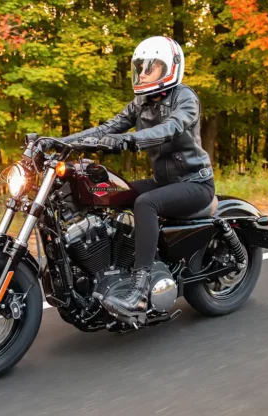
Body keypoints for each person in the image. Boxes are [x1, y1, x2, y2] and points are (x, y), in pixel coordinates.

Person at [61, 36, 215, 319]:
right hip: (164, 182)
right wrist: (59, 142)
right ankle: (117, 269)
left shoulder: (186, 99)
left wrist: (127, 141)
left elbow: (170, 128)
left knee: (145, 204)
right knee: (111, 193)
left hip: (194, 183)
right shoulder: (141, 102)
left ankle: (140, 294)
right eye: (140, 67)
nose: (143, 73)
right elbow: (108, 127)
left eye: (150, 67)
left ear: (170, 68)